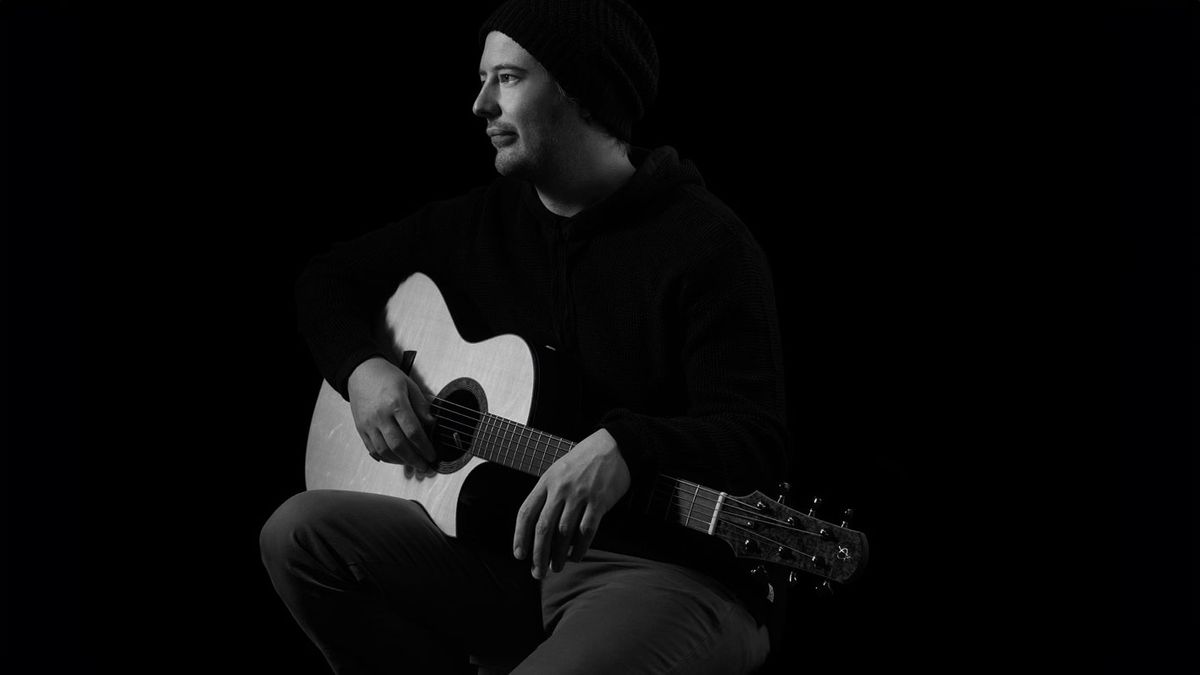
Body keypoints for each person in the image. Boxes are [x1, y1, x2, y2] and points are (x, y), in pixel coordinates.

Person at [260, 0, 790, 672]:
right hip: (508, 559)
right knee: (298, 533)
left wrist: (629, 445)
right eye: (483, 78)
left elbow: (756, 437)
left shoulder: (706, 245)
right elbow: (326, 281)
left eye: (506, 78)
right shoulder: (481, 223)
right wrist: (362, 366)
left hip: (661, 570)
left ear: (580, 92)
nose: (479, 104)